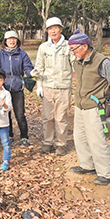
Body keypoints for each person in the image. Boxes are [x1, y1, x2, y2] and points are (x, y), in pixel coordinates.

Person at [68, 29, 110, 186]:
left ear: (84, 46)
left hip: (95, 107)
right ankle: (87, 166)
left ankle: (105, 173)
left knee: (97, 140)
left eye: (74, 49)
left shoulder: (103, 62)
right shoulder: (77, 62)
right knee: (80, 138)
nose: (72, 53)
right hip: (80, 106)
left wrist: (102, 98)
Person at [31, 17, 74, 156]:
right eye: (50, 28)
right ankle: (48, 142)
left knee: (61, 117)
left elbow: (75, 65)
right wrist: (40, 85)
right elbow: (39, 67)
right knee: (47, 117)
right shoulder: (43, 47)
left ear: (61, 29)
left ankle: (61, 144)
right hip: (48, 87)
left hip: (63, 87)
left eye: (55, 28)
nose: (53, 31)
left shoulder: (68, 46)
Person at [0, 30, 34, 147]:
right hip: (4, 87)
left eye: (14, 38)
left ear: (17, 40)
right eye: (9, 39)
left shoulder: (22, 54)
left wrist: (31, 72)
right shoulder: (0, 55)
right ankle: (9, 135)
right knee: (6, 113)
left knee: (20, 114)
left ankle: (24, 137)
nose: (12, 41)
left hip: (17, 87)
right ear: (5, 41)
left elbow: (27, 67)